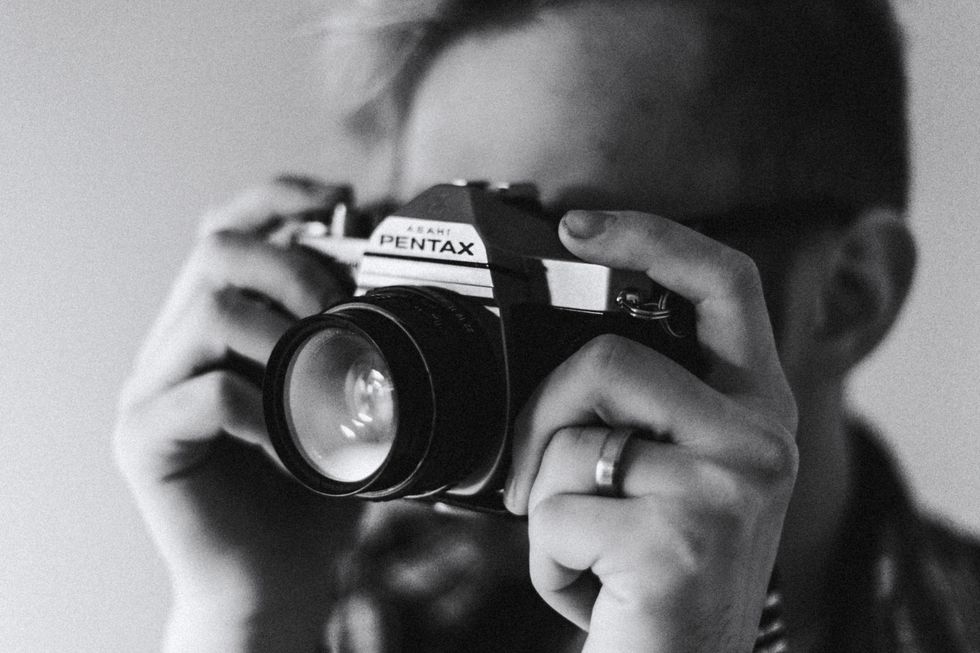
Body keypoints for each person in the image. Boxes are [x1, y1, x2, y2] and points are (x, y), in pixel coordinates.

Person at [113, 1, 980, 651]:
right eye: (428, 254)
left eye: (544, 248)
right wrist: (247, 612)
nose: (437, 351)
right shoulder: (385, 601)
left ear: (849, 295)